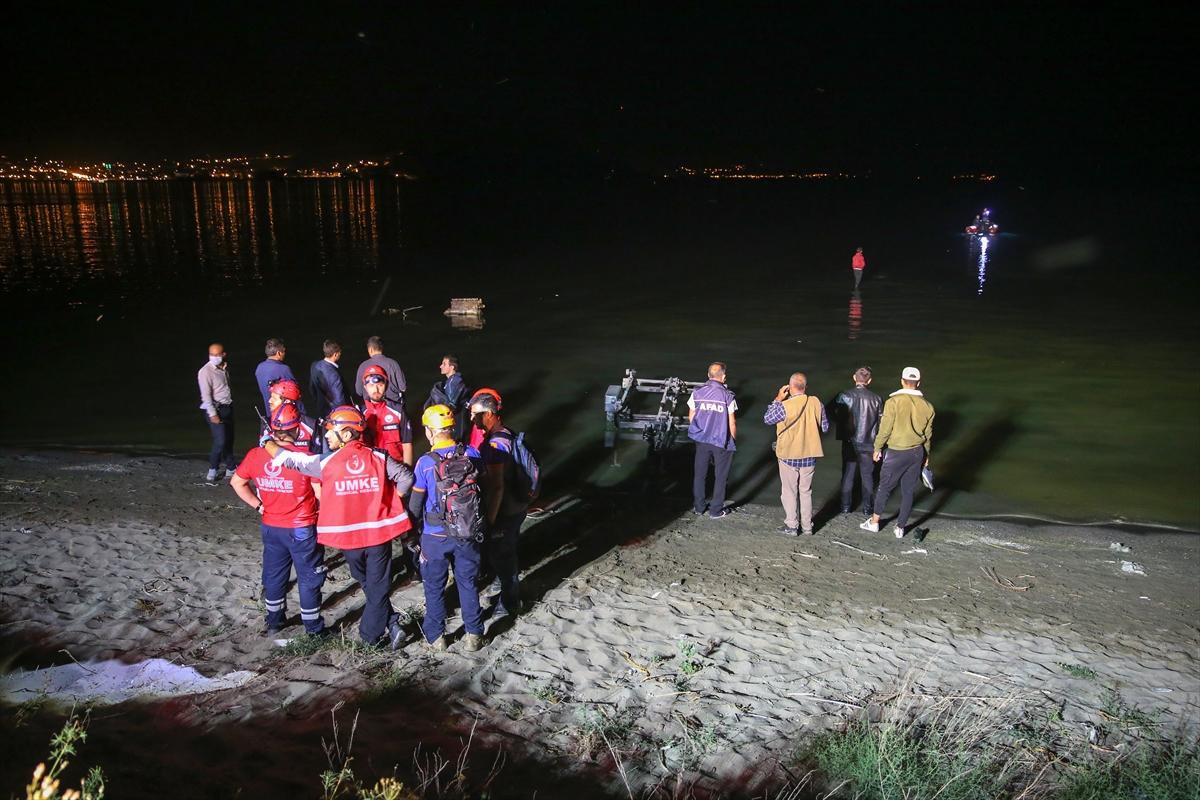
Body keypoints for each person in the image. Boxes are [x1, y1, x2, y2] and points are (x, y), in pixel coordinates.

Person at [264, 406, 414, 648]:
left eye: (331, 430)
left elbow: (290, 460)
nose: (326, 436)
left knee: (368, 583)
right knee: (375, 586)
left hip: (349, 540)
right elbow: (407, 477)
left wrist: (267, 443)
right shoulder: (379, 456)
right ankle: (392, 623)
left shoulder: (327, 462)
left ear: (346, 434)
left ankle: (369, 638)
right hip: (378, 536)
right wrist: (390, 499)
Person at [230, 403, 326, 637]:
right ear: (297, 430)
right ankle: (313, 628)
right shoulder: (303, 459)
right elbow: (320, 495)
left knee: (274, 575)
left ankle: (274, 621)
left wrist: (259, 505)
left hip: (271, 526)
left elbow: (236, 482)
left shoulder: (254, 455)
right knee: (309, 577)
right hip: (301, 527)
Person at [409, 405, 486, 652]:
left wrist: (410, 531)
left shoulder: (424, 463)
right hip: (467, 530)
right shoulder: (472, 452)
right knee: (468, 582)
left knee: (434, 586)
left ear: (431, 431)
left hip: (435, 535)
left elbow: (416, 502)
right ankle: (474, 634)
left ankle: (437, 637)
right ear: (451, 429)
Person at [469, 391, 529, 618]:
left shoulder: (496, 446)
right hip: (517, 505)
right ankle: (505, 590)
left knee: (504, 556)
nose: (473, 420)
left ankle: (510, 602)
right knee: (506, 552)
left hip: (505, 509)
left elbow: (496, 487)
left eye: (478, 415)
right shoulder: (508, 434)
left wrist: (490, 520)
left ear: (491, 414)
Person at [861, 367, 936, 539]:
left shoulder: (893, 402)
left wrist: (877, 448)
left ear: (902, 381)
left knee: (884, 488)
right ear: (918, 383)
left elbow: (885, 429)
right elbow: (928, 436)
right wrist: (927, 456)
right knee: (908, 491)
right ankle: (900, 528)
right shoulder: (928, 407)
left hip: (895, 452)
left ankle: (874, 523)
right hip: (917, 453)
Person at [763, 372, 828, 535]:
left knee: (789, 492)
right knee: (806, 492)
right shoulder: (816, 402)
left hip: (788, 455)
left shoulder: (784, 406)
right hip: (810, 455)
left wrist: (778, 398)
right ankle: (807, 527)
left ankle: (792, 525)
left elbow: (767, 419)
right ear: (806, 387)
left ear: (790, 387)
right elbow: (825, 427)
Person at [687, 362, 738, 519]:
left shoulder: (697, 393)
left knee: (700, 474)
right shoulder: (727, 396)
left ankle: (699, 507)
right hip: (721, 440)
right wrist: (732, 440)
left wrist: (699, 432)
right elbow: (732, 423)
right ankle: (716, 510)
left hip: (701, 439)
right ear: (723, 377)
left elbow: (691, 416)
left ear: (708, 375)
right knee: (720, 476)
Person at [834, 367, 883, 516]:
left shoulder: (844, 396)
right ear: (869, 381)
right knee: (867, 476)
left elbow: (836, 416)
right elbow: (881, 423)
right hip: (868, 443)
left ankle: (845, 507)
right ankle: (868, 508)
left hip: (850, 442)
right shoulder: (877, 399)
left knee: (848, 475)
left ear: (854, 378)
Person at [360, 364, 414, 465]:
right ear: (365, 387)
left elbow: (407, 444)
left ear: (387, 385)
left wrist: (407, 472)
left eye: (380, 385)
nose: (376, 390)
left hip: (396, 469)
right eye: (371, 386)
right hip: (371, 470)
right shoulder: (359, 414)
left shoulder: (398, 411)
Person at [198, 342, 236, 482]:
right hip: (215, 409)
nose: (214, 357)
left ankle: (231, 468)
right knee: (220, 441)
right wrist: (212, 413)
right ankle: (213, 469)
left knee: (229, 439)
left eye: (217, 355)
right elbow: (206, 395)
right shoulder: (205, 371)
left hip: (227, 407)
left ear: (223, 355)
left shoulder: (224, 368)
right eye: (211, 355)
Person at [266, 379, 319, 453]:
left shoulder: (311, 426)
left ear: (288, 401)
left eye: (274, 398)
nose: (269, 401)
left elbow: (320, 458)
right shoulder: (266, 423)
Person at [354, 335, 406, 406]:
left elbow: (359, 392)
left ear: (370, 349)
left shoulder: (363, 366)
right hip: (393, 406)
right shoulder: (393, 363)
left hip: (371, 407)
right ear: (382, 348)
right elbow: (403, 388)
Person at [255, 338, 303, 414]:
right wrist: (302, 413)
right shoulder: (283, 369)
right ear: (278, 353)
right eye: (284, 351)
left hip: (269, 413)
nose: (285, 353)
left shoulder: (259, 368)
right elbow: (295, 393)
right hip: (285, 416)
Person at [426, 354, 470, 439]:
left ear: (452, 367)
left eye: (444, 364)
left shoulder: (454, 382)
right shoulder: (451, 381)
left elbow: (451, 406)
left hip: (458, 424)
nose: (440, 366)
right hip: (459, 422)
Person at [309, 339, 348, 420]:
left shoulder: (315, 365)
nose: (340, 354)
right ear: (335, 354)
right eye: (340, 352)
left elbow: (312, 388)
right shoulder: (334, 374)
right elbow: (339, 400)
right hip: (333, 414)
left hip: (320, 409)